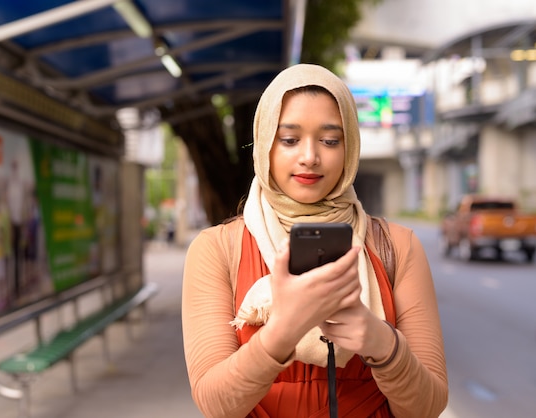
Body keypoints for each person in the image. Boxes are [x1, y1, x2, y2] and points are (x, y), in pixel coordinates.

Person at [181, 63, 448, 418]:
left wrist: (379, 341)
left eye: (330, 140)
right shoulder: (216, 249)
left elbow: (428, 407)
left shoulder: (398, 247)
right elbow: (215, 404)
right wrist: (282, 331)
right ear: (264, 145)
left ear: (349, 146)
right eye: (289, 139)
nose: (310, 156)